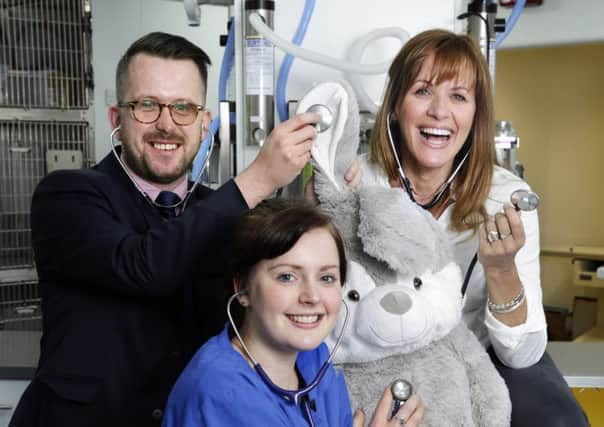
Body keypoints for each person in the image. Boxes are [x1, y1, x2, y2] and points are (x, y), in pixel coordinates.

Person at [9, 31, 359, 427]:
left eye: (184, 108)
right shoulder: (68, 195)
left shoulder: (223, 210)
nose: (166, 124)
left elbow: (278, 280)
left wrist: (317, 205)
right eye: (146, 105)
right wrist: (257, 178)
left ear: (204, 123)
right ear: (116, 120)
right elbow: (144, 267)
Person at [351, 29, 587, 426]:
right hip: (381, 354)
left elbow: (522, 355)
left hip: (478, 353)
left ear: (475, 115)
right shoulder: (356, 183)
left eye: (458, 97)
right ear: (394, 106)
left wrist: (501, 271)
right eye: (423, 91)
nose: (440, 112)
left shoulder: (507, 197)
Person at [162, 198, 424, 427]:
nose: (311, 296)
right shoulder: (221, 393)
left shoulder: (315, 360)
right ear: (242, 289)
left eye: (327, 277)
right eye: (287, 276)